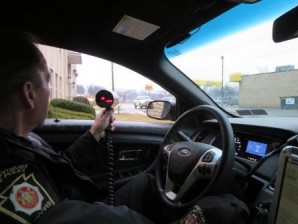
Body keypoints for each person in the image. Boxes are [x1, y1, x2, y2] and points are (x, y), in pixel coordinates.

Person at [0, 31, 250, 224]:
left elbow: (59, 169)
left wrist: (94, 134)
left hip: (78, 201)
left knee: (146, 184)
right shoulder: (11, 177)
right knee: (224, 211)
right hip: (78, 206)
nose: (51, 88)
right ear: (29, 94)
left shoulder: (23, 141)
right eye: (47, 80)